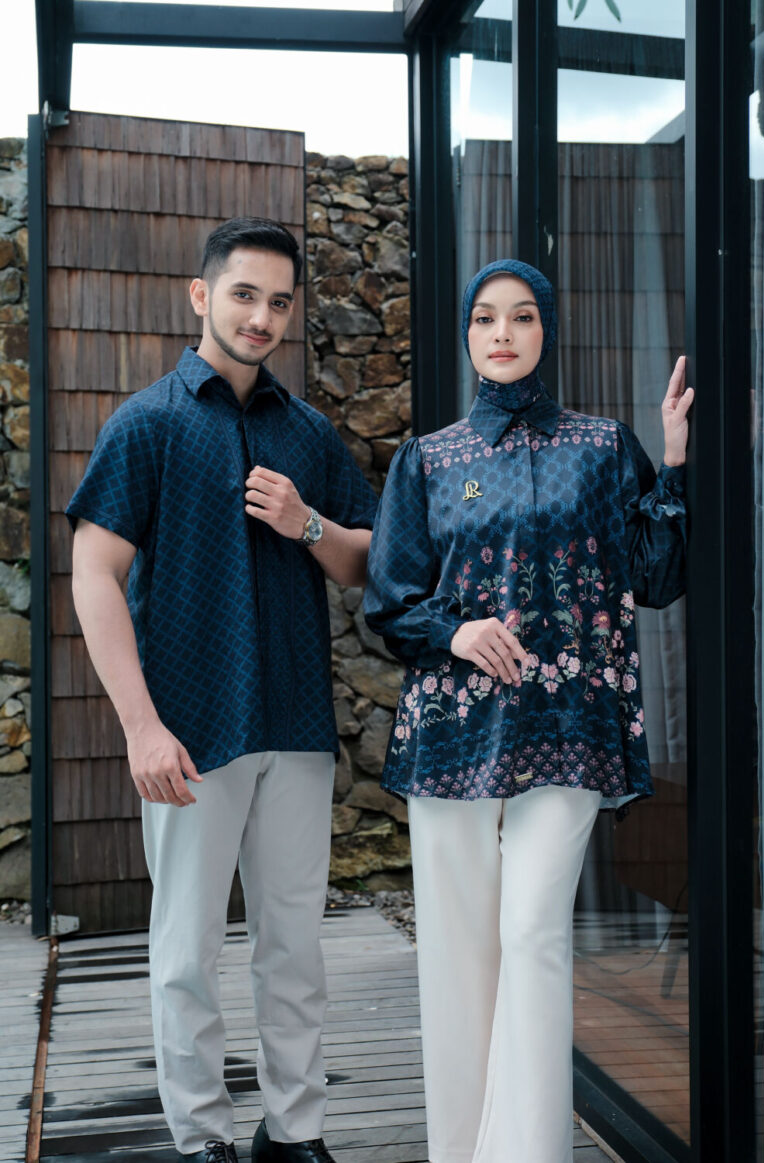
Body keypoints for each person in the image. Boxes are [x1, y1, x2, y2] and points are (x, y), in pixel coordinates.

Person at [363, 258, 693, 1163]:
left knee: (532, 933)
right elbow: (389, 601)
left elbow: (656, 575)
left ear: (546, 329)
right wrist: (456, 631)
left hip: (571, 729)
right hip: (453, 731)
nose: (501, 333)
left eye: (520, 316)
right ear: (468, 334)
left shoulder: (601, 446)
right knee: (458, 953)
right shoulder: (428, 459)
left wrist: (673, 461)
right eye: (484, 317)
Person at [67, 217, 377, 1163]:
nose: (261, 317)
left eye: (279, 301)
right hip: (190, 730)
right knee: (186, 953)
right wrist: (140, 727)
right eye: (244, 294)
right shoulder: (146, 423)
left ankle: (296, 1132)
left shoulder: (306, 432)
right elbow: (93, 574)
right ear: (201, 295)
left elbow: (364, 560)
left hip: (294, 721)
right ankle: (204, 1139)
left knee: (295, 948)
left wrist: (305, 520)